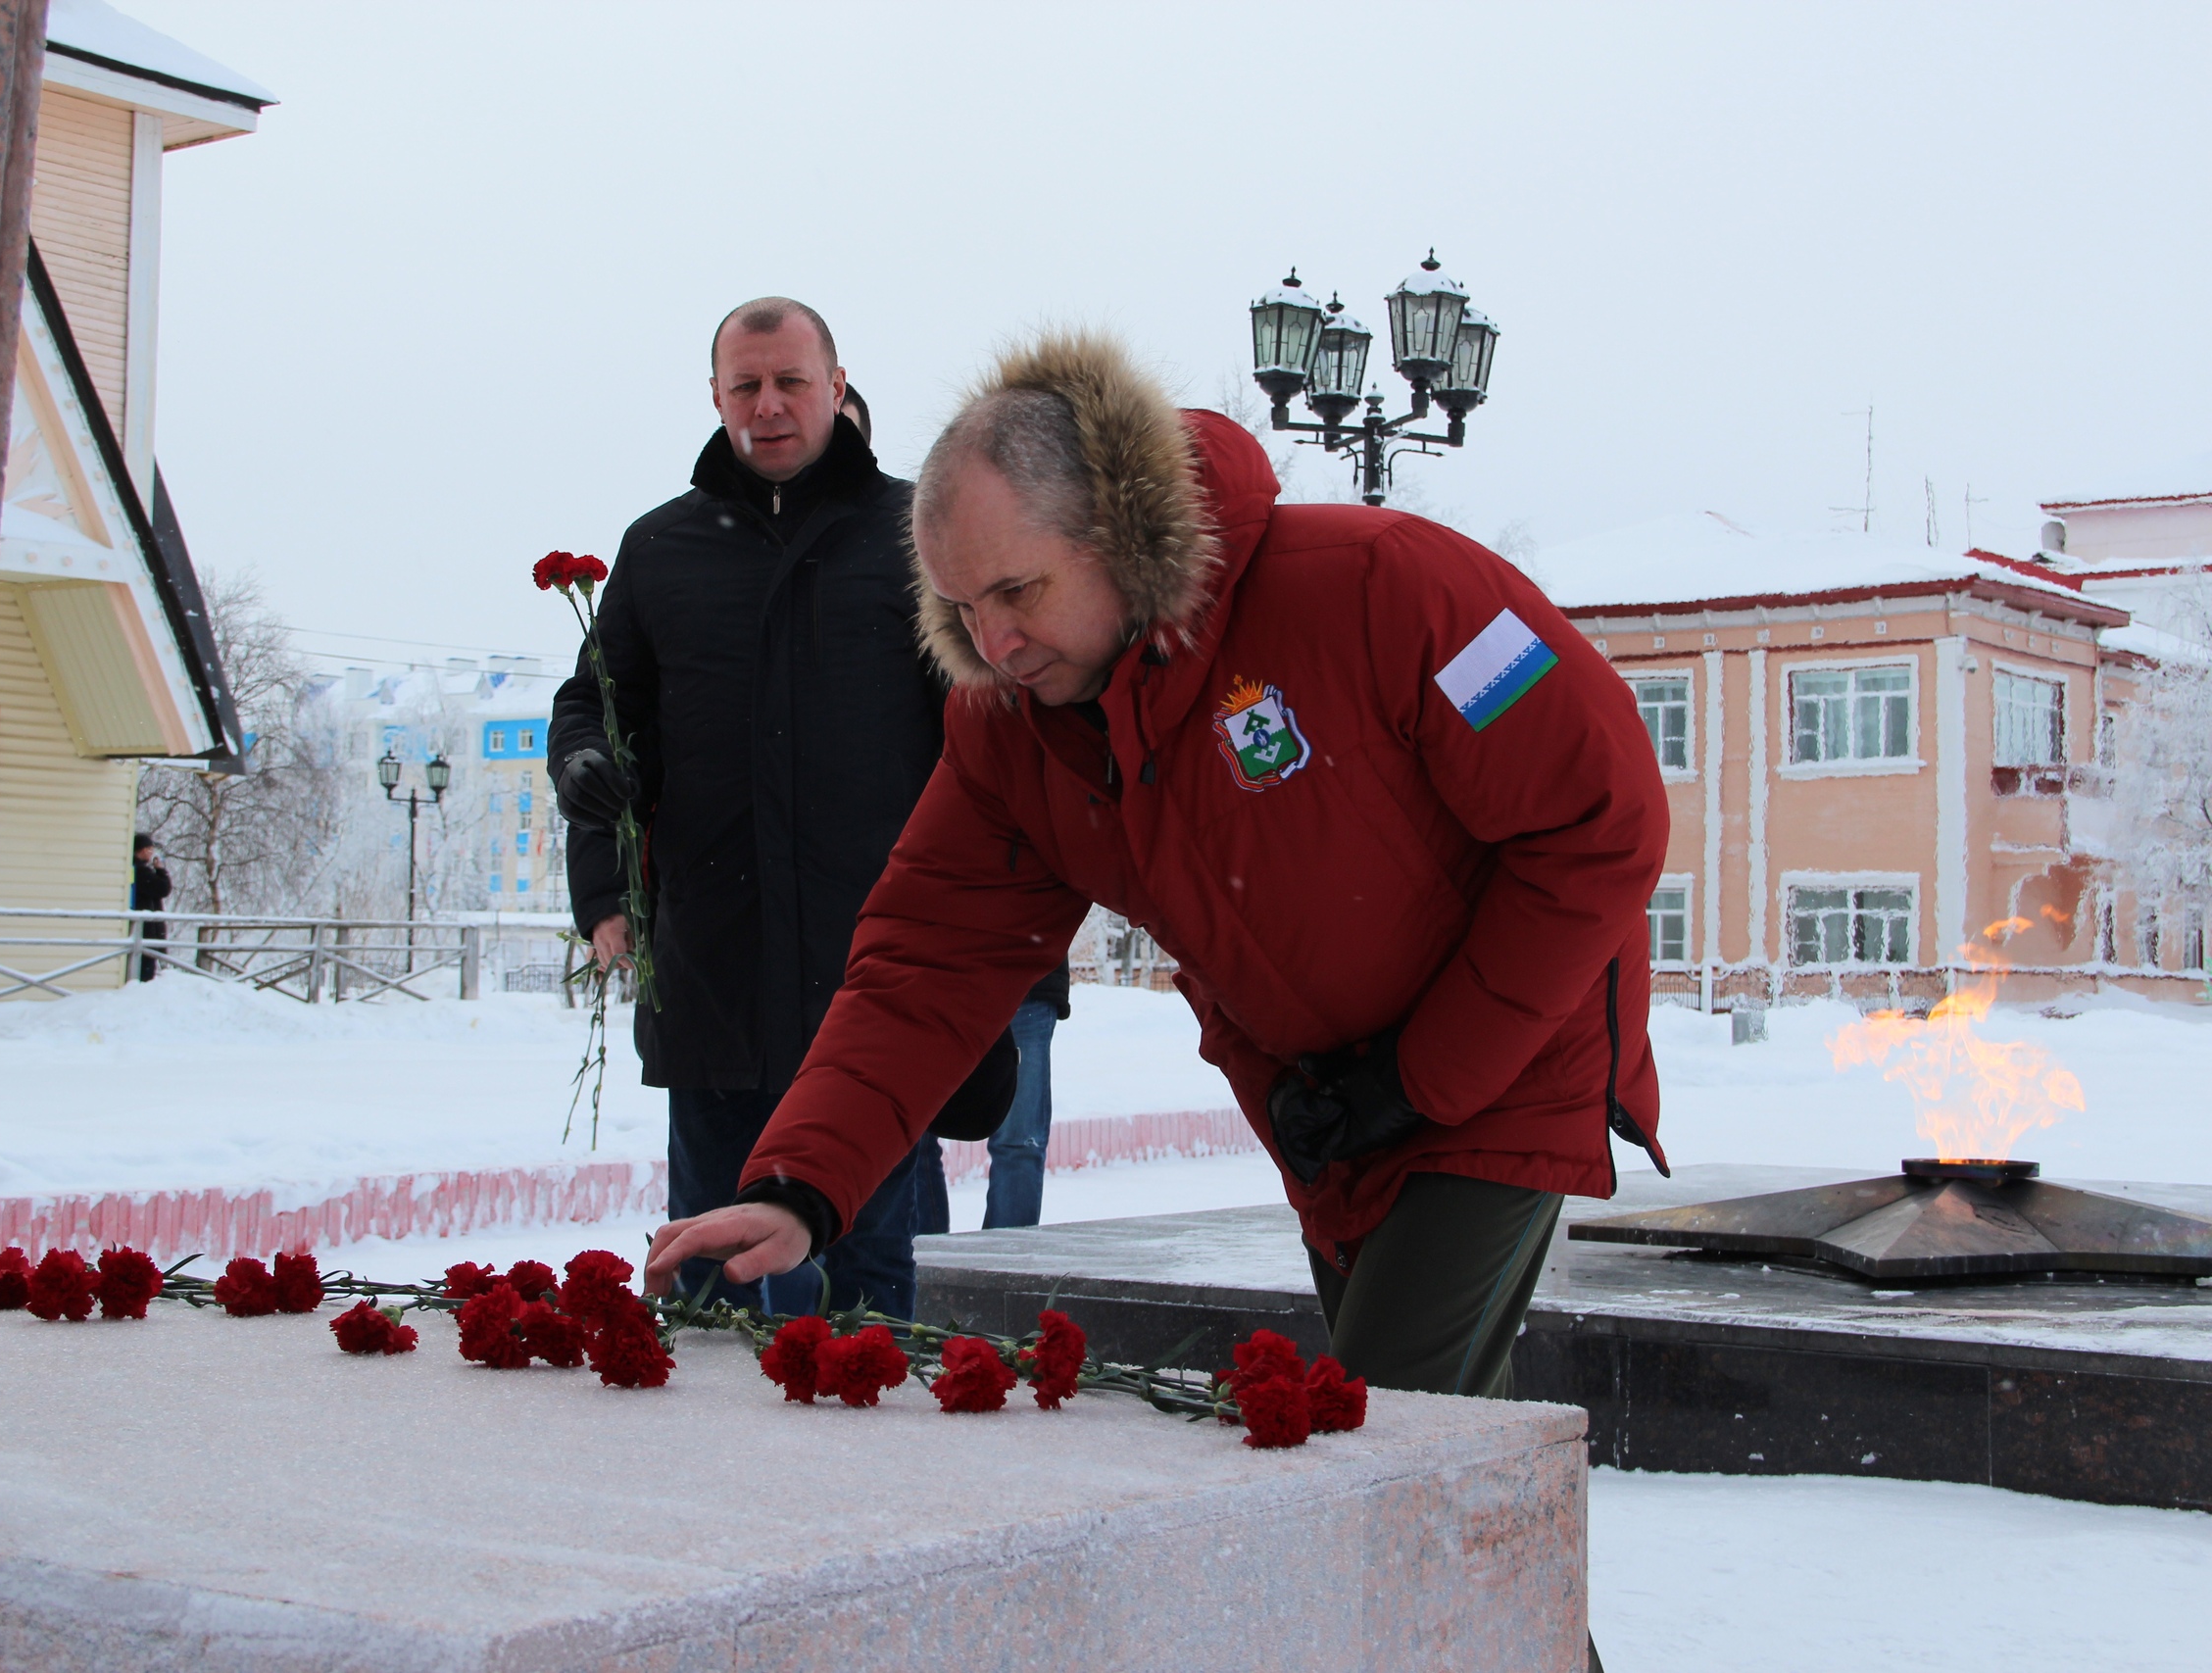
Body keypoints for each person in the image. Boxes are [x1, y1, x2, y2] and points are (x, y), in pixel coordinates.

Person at [647, 331, 1671, 1411]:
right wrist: (800, 1184)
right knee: (1431, 1441)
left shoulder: (1385, 585)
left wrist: (1418, 1083)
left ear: (1116, 532)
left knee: (1377, 1422)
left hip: (1507, 1062)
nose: (992, 642)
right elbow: (926, 963)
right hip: (1326, 1107)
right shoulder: (1011, 728)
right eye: (960, 608)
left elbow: (1598, 819)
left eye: (1017, 591)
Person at [549, 298, 954, 1321]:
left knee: (871, 1272)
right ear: (717, 396)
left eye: (789, 383)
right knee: (708, 1260)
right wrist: (588, 777)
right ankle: (703, 1465)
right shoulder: (662, 548)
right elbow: (598, 709)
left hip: (871, 959)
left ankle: (876, 1444)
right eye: (746, 386)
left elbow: (986, 745)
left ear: (835, 387)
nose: (768, 406)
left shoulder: (919, 540)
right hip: (714, 959)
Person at [916, 961, 1070, 1235]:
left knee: (1020, 1142)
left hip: (1026, 978)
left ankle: (1005, 1261)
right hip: (932, 975)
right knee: (910, 1138)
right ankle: (923, 1258)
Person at [129, 833, 170, 982]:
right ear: (142, 850)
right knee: (145, 971)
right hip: (147, 929)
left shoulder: (137, 870)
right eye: (149, 849)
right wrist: (160, 870)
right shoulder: (141, 872)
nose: (152, 852)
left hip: (144, 928)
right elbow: (163, 889)